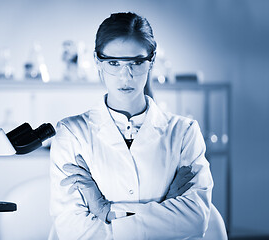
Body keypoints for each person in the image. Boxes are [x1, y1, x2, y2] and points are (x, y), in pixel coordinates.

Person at [50, 12, 213, 239]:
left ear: (151, 61)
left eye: (136, 62)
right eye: (114, 63)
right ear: (98, 61)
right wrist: (164, 206)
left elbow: (195, 219)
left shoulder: (184, 132)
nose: (125, 75)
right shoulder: (71, 134)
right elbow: (73, 231)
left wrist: (105, 210)